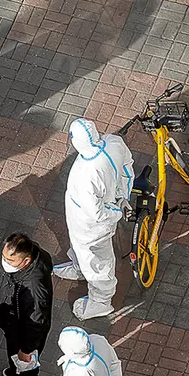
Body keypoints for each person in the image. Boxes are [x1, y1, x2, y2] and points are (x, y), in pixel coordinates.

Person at [54, 118, 134, 320]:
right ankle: (80, 267)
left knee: (97, 261)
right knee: (82, 251)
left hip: (91, 227)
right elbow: (127, 167)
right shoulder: (114, 142)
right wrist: (123, 196)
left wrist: (116, 212)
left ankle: (101, 301)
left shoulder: (86, 175)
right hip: (88, 217)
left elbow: (97, 213)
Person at [0, 232, 54, 376]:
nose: (5, 263)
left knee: (25, 369)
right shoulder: (32, 252)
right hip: (14, 323)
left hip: (25, 334)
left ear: (26, 261)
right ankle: (19, 371)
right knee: (13, 352)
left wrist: (26, 350)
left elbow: (36, 323)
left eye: (10, 261)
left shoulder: (35, 290)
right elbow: (6, 269)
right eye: (3, 257)